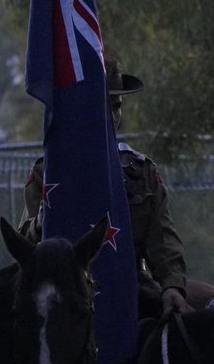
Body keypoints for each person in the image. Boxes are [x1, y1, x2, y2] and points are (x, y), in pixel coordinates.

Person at [20, 58, 193, 316]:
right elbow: (24, 245)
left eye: (116, 106)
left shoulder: (142, 173)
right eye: (102, 106)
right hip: (64, 298)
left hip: (129, 291)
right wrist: (46, 218)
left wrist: (172, 286)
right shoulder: (50, 172)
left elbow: (164, 241)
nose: (111, 116)